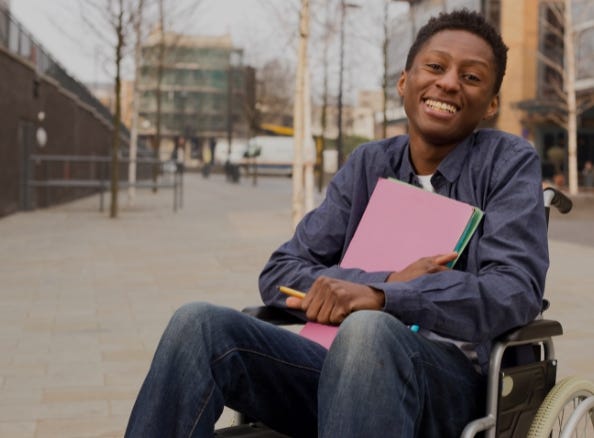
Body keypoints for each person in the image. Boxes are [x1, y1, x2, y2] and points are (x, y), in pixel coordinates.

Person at [125, 9, 548, 438]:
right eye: (435, 67)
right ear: (405, 82)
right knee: (196, 324)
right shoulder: (369, 163)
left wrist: (388, 299)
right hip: (333, 368)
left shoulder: (507, 163)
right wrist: (380, 283)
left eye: (471, 77)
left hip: (447, 386)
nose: (450, 82)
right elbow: (281, 271)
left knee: (368, 331)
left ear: (492, 103)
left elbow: (514, 289)